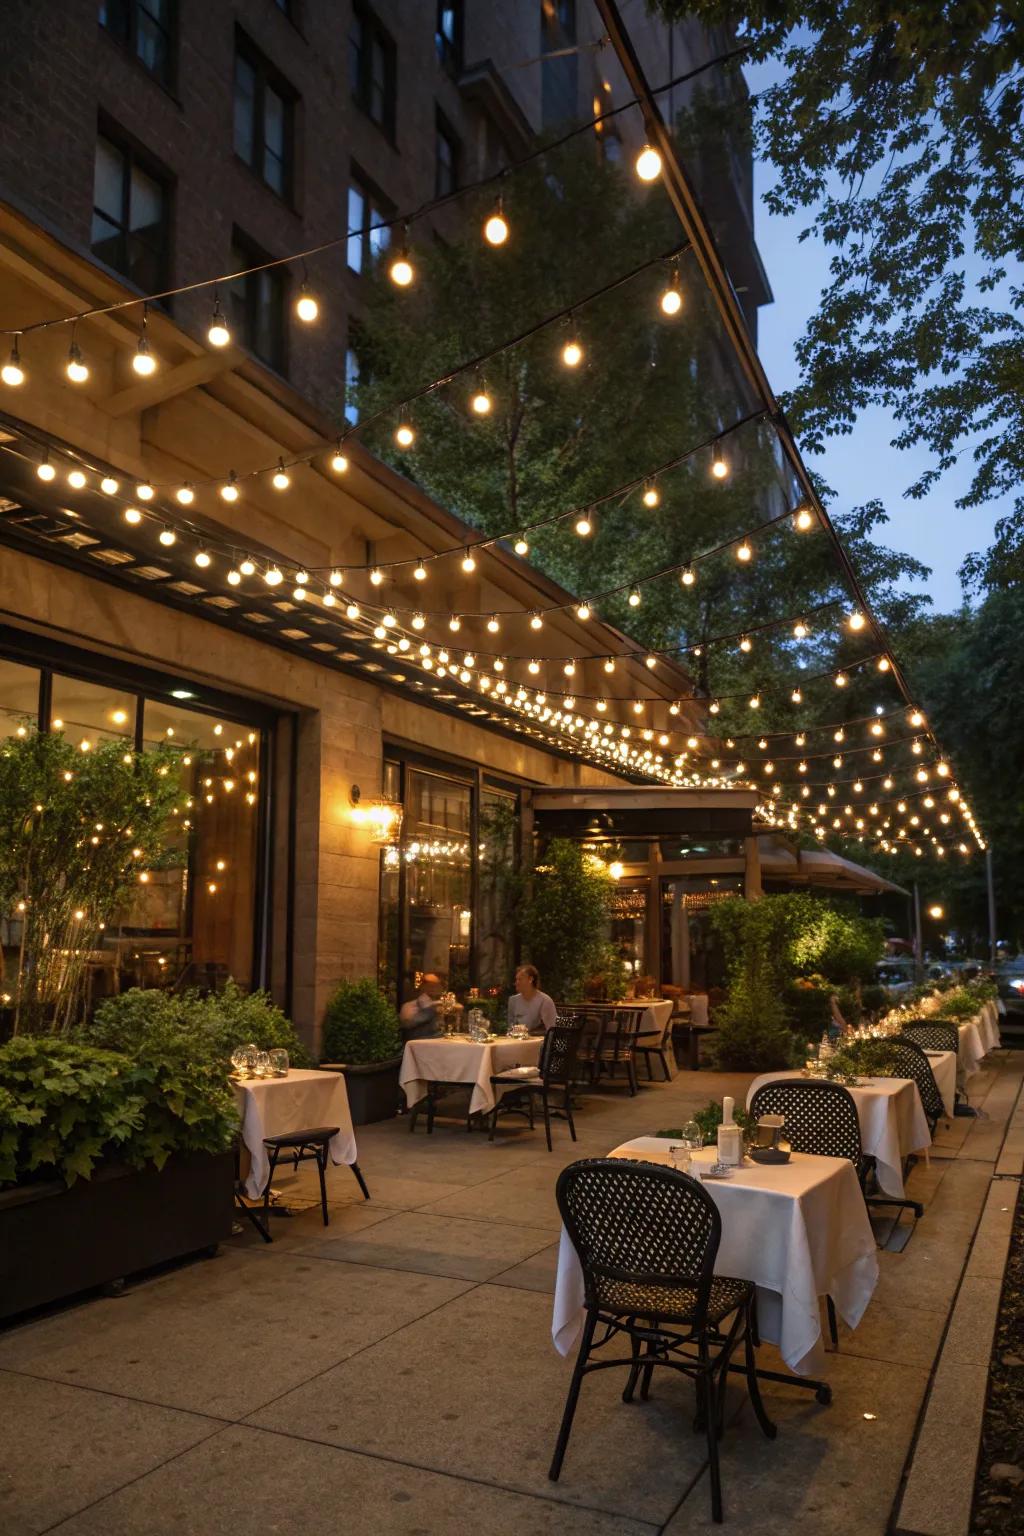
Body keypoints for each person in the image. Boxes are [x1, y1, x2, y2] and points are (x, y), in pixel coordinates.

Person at [507, 963, 557, 1033]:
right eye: (516, 979)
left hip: (538, 1042)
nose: (516, 983)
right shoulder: (513, 1001)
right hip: (517, 1041)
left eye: (520, 979)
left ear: (530, 979)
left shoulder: (545, 1001)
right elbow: (510, 1028)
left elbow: (552, 1030)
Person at [399, 973, 442, 1040]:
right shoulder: (408, 1006)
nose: (432, 988)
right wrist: (430, 1011)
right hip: (417, 1044)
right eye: (429, 985)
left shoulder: (440, 1005)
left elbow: (458, 1007)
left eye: (435, 985)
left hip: (438, 1043)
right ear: (422, 986)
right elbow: (407, 1023)